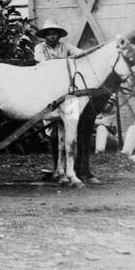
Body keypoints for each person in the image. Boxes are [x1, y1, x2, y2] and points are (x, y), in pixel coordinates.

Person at [33, 20, 85, 181]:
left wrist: (75, 57)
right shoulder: (40, 48)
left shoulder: (66, 47)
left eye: (54, 33)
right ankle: (57, 165)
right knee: (51, 132)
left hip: (63, 89)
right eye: (48, 33)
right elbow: (41, 61)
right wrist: (64, 63)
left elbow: (81, 53)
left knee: (65, 130)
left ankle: (61, 170)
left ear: (58, 35)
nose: (51, 36)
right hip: (46, 88)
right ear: (45, 36)